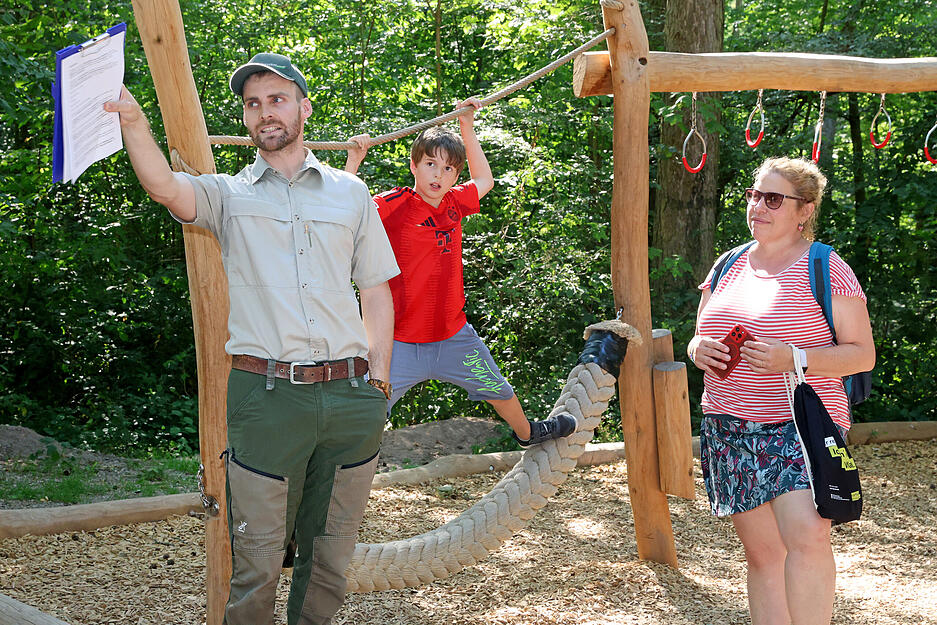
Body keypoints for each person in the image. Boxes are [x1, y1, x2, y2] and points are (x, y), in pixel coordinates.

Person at [104, 53, 399, 625]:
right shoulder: (228, 196)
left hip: (350, 397)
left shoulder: (350, 194)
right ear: (245, 118)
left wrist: (378, 380)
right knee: (257, 563)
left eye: (277, 98)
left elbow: (377, 291)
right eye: (253, 103)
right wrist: (135, 124)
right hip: (265, 398)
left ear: (303, 108)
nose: (266, 111)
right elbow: (165, 187)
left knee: (331, 555)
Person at [686, 156, 875, 625]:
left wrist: (795, 357)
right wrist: (698, 349)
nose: (759, 207)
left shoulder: (826, 265)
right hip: (728, 426)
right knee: (763, 556)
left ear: (804, 210)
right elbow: (699, 332)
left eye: (773, 199)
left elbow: (861, 354)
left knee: (807, 540)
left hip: (799, 425)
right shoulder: (726, 264)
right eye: (754, 195)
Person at [342, 99, 576, 447]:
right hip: (399, 344)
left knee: (500, 391)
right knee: (369, 409)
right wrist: (354, 160)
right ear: (414, 166)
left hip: (454, 338)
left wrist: (467, 124)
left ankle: (529, 434)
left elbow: (485, 178)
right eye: (430, 164)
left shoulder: (455, 202)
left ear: (456, 175)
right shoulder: (395, 205)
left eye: (449, 168)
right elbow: (345, 205)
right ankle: (345, 469)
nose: (438, 174)